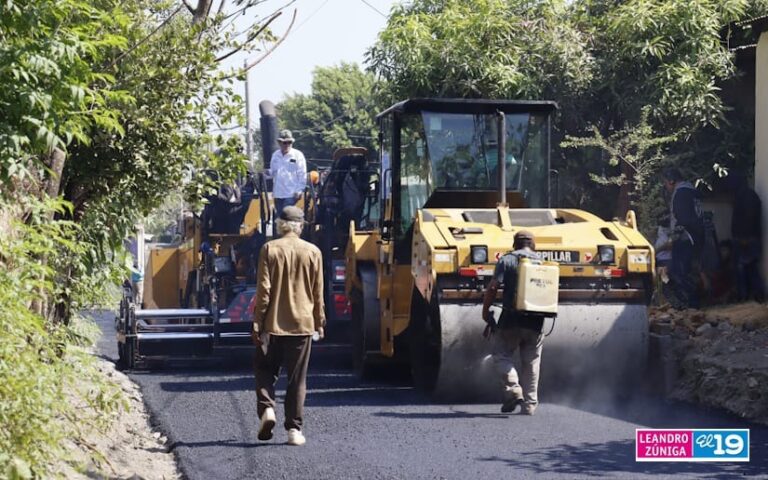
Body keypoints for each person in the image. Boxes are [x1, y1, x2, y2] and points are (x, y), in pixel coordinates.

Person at [250, 206, 325, 446]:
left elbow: (264, 291)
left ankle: (267, 409)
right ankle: (294, 430)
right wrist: (319, 321)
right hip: (302, 324)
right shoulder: (313, 252)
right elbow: (318, 292)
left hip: (272, 324)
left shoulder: (269, 249)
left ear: (280, 225)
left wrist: (257, 322)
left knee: (264, 369)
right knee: (297, 379)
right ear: (300, 226)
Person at [481, 230, 544, 416]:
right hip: (536, 322)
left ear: (515, 244)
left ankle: (514, 389)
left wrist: (486, 311)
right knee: (531, 363)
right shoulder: (542, 263)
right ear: (533, 244)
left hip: (511, 320)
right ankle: (530, 405)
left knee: (501, 354)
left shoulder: (506, 260)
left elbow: (493, 287)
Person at [662, 168, 704, 309]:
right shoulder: (692, 191)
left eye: (666, 183)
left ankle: (691, 304)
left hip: (686, 238)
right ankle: (692, 303)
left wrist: (673, 239)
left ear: (671, 181)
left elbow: (683, 220)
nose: (666, 187)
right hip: (697, 236)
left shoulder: (681, 194)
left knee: (679, 272)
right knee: (689, 271)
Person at [727, 173, 765, 302]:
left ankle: (745, 296)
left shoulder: (747, 196)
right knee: (749, 268)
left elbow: (750, 217)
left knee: (743, 268)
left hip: (746, 239)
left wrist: (745, 237)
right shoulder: (745, 195)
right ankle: (754, 296)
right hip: (746, 238)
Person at [270, 130, 307, 215]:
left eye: (289, 142)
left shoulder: (298, 155)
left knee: (286, 216)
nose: (287, 145)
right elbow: (273, 172)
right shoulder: (275, 155)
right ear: (279, 143)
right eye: (285, 143)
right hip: (278, 193)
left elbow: (302, 174)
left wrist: (299, 190)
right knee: (280, 217)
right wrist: (265, 173)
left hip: (291, 194)